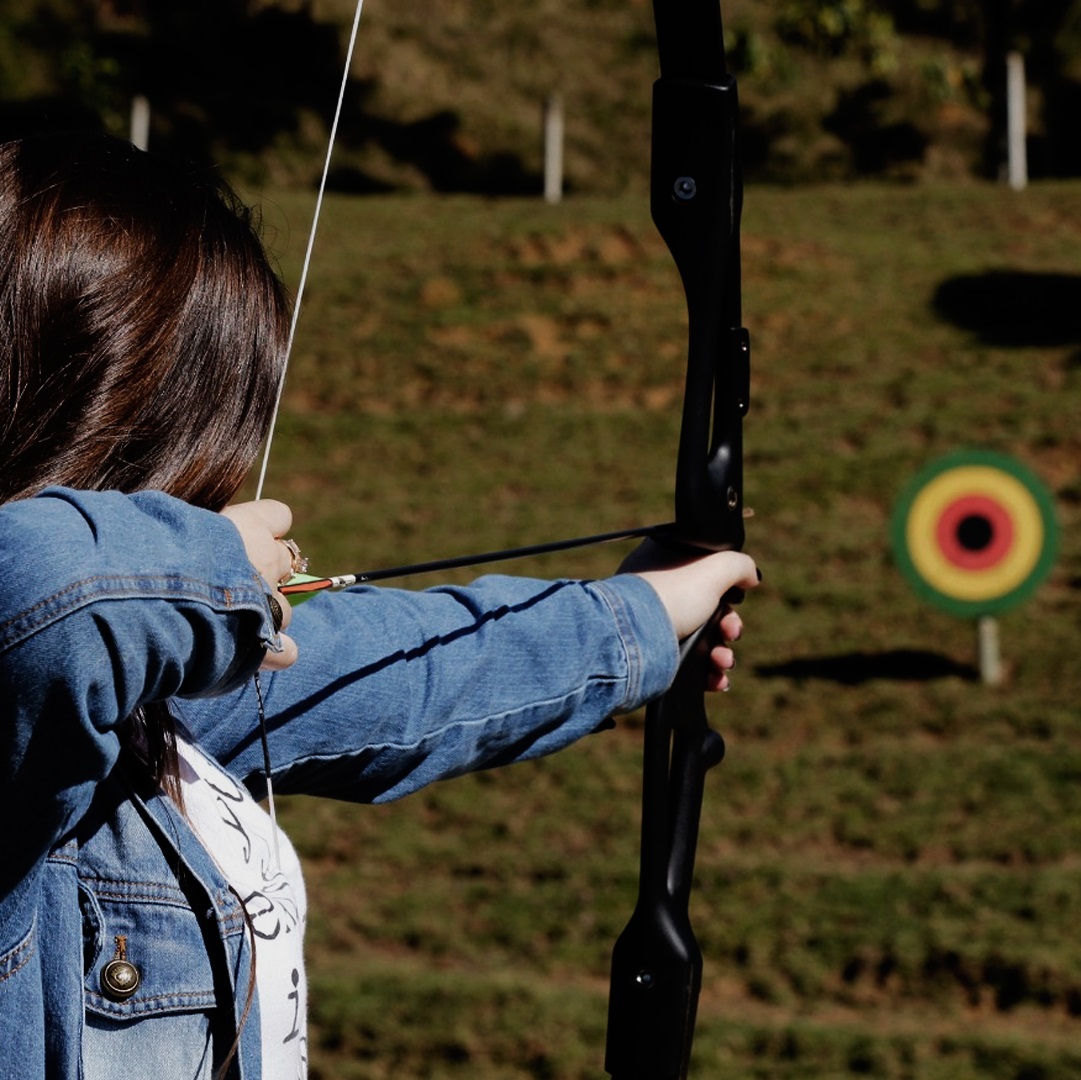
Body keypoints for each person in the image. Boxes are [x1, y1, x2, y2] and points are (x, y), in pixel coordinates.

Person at [0, 132, 759, 1080]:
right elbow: (36, 591)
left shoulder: (148, 697)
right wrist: (218, 570)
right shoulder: (42, 683)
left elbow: (414, 673)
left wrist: (641, 614)